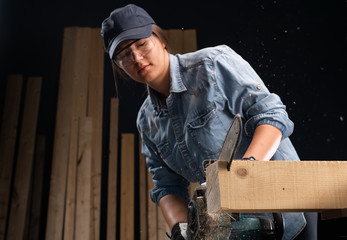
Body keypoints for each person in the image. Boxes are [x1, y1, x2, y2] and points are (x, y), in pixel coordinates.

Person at [101, 4, 317, 240]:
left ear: (160, 39)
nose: (136, 57)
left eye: (142, 44)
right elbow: (167, 186)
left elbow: (272, 116)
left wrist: (247, 169)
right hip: (236, 228)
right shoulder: (147, 120)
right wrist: (181, 230)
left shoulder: (212, 65)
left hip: (287, 207)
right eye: (123, 55)